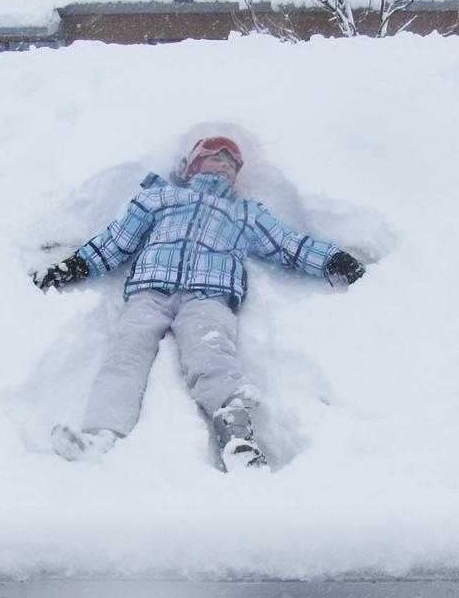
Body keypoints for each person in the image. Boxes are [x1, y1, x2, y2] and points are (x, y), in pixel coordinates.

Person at [32, 136, 365, 471]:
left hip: (209, 296)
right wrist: (72, 267)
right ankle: (100, 436)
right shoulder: (161, 197)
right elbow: (117, 241)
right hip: (151, 290)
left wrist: (334, 260)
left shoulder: (245, 213)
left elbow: (289, 245)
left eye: (231, 164)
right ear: (191, 165)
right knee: (125, 354)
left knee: (213, 355)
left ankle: (238, 439)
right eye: (215, 158)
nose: (224, 166)